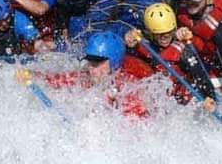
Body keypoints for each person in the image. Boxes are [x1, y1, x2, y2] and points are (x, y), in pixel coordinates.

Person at [16, 31, 154, 119]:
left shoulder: (127, 89)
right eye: (90, 61)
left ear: (114, 62)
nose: (91, 69)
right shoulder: (85, 77)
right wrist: (31, 75)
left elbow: (137, 128)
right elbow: (54, 79)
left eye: (97, 63)